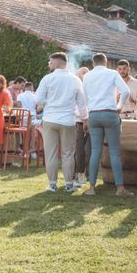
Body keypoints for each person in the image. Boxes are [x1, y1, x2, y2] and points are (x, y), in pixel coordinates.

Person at [82, 53, 133, 196]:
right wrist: (119, 106)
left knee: (95, 152)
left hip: (94, 114)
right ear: (106, 62)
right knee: (115, 152)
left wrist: (87, 115)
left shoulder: (87, 76)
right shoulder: (112, 73)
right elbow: (126, 91)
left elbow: (85, 99)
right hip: (110, 113)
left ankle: (91, 188)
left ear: (93, 63)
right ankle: (120, 188)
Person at [36, 52, 87, 192]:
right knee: (68, 154)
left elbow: (38, 100)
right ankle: (69, 184)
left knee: (51, 153)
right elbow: (82, 103)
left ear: (58, 63)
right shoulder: (75, 80)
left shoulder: (47, 78)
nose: (49, 64)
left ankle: (52, 184)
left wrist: (49, 103)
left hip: (50, 119)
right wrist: (84, 118)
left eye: (50, 62)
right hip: (68, 121)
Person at [74, 67, 91, 186]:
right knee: (79, 150)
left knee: (90, 150)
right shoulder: (75, 87)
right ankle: (78, 172)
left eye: (86, 72)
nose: (84, 74)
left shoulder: (92, 87)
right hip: (79, 121)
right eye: (82, 72)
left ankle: (89, 174)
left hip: (92, 121)